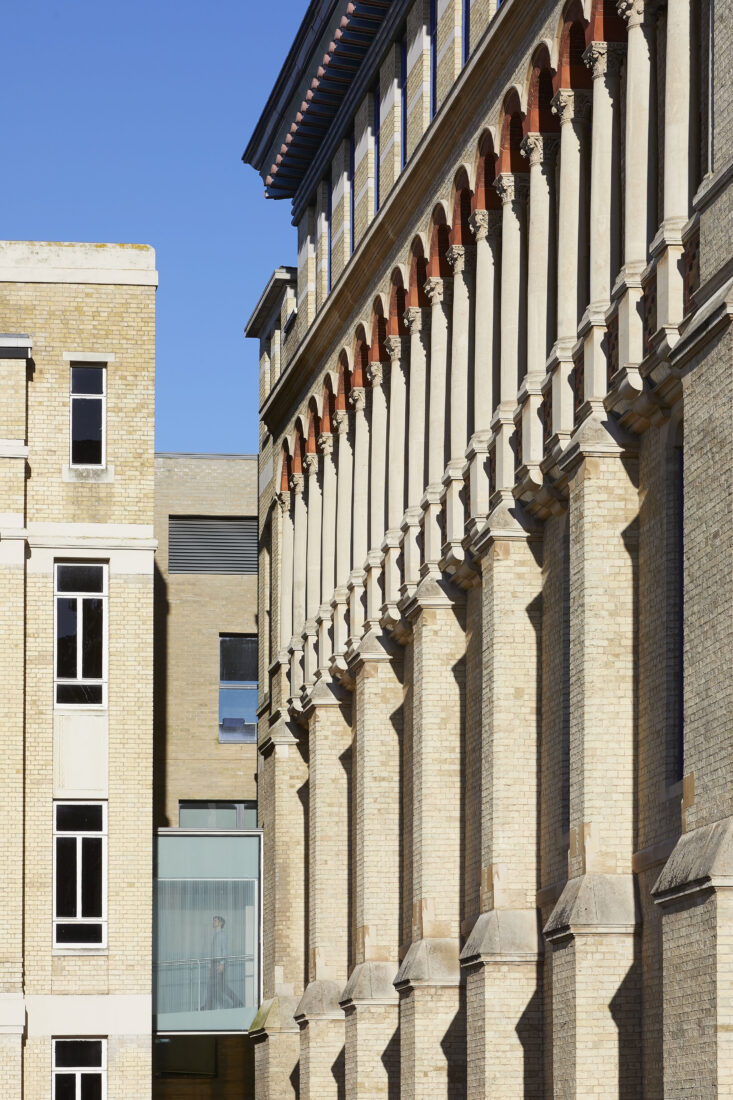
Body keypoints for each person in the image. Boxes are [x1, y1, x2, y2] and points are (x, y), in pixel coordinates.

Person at [202, 915, 243, 1010]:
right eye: (213, 920)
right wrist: (209, 965)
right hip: (213, 963)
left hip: (218, 963)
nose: (213, 922)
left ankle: (237, 1001)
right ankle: (207, 1006)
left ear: (220, 923)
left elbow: (224, 950)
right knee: (210, 986)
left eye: (215, 920)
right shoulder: (215, 936)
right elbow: (212, 952)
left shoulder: (222, 935)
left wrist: (222, 963)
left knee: (221, 987)